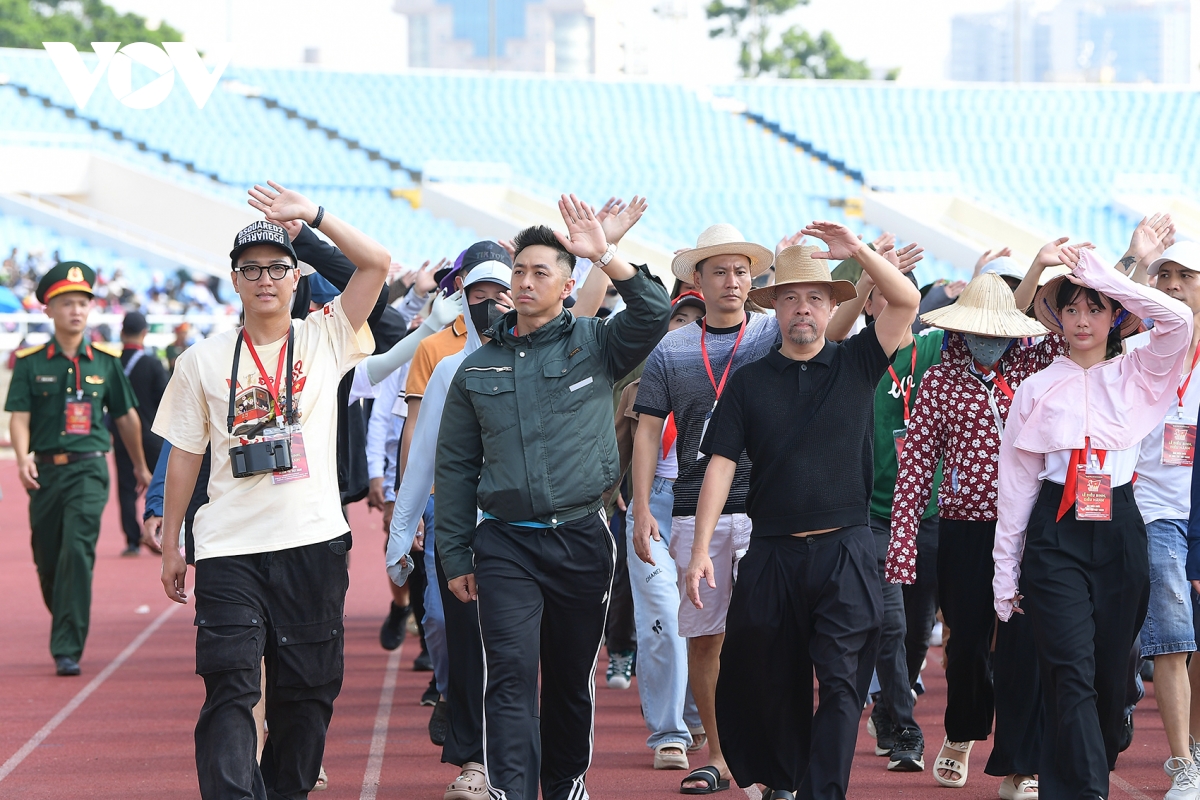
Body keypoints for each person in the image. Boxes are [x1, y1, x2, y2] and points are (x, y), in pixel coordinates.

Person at [153, 183, 390, 799]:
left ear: (296, 277)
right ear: (234, 281)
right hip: (228, 547)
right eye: (251, 270)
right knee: (231, 684)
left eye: (277, 268)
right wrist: (174, 541)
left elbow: (376, 265)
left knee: (307, 694)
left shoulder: (326, 336)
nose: (265, 280)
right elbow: (185, 455)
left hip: (312, 543)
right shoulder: (201, 360)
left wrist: (312, 217)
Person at [434, 194, 671, 800]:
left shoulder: (597, 343)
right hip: (505, 543)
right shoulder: (476, 369)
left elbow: (653, 311)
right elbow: (455, 468)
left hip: (582, 538)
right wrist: (454, 555)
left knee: (569, 678)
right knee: (509, 675)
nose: (525, 281)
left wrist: (607, 255)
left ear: (568, 285)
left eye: (541, 272)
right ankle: (511, 790)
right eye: (519, 271)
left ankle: (565, 783)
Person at [687, 230, 920, 799]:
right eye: (790, 298)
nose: (803, 308)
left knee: (842, 685)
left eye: (815, 298)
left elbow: (907, 301)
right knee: (772, 680)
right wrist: (699, 551)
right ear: (775, 307)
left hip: (846, 549)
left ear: (832, 305)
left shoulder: (859, 361)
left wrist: (859, 253)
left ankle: (824, 792)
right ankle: (781, 780)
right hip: (772, 552)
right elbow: (720, 464)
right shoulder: (749, 382)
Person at [994, 243, 1191, 800]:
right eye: (1072, 308)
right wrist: (1004, 573)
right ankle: (1084, 791)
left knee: (1109, 680)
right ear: (1057, 317)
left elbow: (1179, 320)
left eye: (1095, 308)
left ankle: (1092, 764)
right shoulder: (1035, 388)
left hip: (1121, 527)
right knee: (1069, 669)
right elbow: (1015, 488)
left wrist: (1111, 277)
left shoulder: (1139, 371)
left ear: (1114, 316)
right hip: (1054, 532)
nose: (1082, 320)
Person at [889, 269, 1056, 798]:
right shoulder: (939, 381)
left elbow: (1093, 326)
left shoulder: (1036, 369)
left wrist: (1045, 269)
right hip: (965, 529)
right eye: (976, 331)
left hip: (1029, 529)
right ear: (959, 331)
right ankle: (962, 732)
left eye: (996, 332)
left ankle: (1020, 765)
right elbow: (916, 464)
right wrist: (902, 544)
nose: (987, 341)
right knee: (965, 645)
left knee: (1024, 647)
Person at [629, 223, 777, 791]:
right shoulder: (671, 347)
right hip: (693, 510)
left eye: (741, 271)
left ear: (752, 278)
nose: (732, 281)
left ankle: (766, 752)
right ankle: (719, 754)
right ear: (698, 278)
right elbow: (647, 430)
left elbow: (828, 329)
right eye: (719, 271)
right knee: (706, 638)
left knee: (765, 637)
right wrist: (643, 507)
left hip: (765, 510)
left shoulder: (771, 333)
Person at [386, 258, 513, 800]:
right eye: (480, 295)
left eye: (502, 295)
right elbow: (422, 457)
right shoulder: (445, 367)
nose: (492, 306)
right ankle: (475, 761)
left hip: (531, 532)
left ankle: (527, 762)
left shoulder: (544, 361)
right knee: (464, 641)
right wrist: (401, 533)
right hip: (463, 528)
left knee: (519, 650)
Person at [5, 261, 151, 676]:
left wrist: (140, 466)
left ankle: (67, 645)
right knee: (48, 559)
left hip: (89, 470)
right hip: (45, 473)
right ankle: (67, 615)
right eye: (66, 303)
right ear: (49, 310)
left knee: (76, 551)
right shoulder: (30, 362)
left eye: (82, 303)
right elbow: (19, 416)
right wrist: (23, 457)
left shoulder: (105, 362)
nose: (76, 310)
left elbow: (126, 417)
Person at [826, 238, 933, 772]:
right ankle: (905, 726)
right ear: (868, 301)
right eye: (879, 292)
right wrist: (865, 270)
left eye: (900, 290)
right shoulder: (854, 356)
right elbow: (829, 332)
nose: (890, 300)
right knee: (890, 623)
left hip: (927, 514)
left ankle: (889, 710)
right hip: (871, 515)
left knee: (917, 630)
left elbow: (1002, 323)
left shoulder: (935, 350)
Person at [617, 290, 707, 773]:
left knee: (700, 617)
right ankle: (668, 732)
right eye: (679, 318)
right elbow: (616, 448)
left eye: (697, 320)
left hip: (703, 508)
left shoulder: (723, 381)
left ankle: (695, 714)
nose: (687, 327)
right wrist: (621, 496)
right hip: (650, 508)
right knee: (662, 617)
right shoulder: (638, 387)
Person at [1128, 239, 1200, 797]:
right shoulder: (1136, 347)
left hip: (1187, 512)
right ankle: (1181, 762)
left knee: (1185, 642)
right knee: (1171, 639)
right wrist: (1135, 259)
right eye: (1164, 274)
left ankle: (1190, 752)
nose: (1173, 284)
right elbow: (1095, 316)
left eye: (1186, 275)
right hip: (1141, 508)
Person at [112, 310, 170, 556]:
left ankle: (132, 540)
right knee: (161, 484)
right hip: (153, 435)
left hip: (122, 435)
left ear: (121, 333)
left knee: (126, 487)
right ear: (144, 333)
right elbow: (167, 399)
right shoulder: (152, 364)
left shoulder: (113, 364)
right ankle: (159, 534)